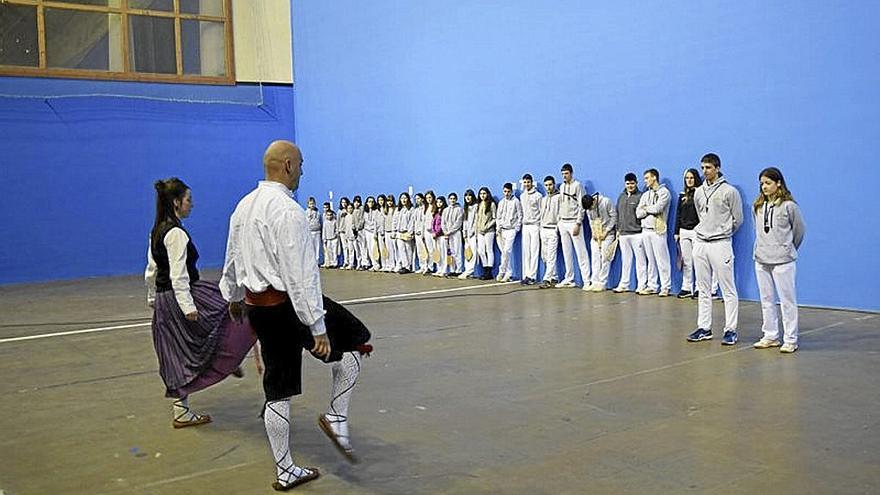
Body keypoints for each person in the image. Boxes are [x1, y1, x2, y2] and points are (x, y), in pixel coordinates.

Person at [220, 141, 371, 490]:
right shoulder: (288, 212)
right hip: (288, 308)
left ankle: (285, 470)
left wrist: (233, 296)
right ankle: (336, 415)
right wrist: (316, 327)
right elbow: (301, 276)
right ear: (287, 165)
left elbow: (231, 257)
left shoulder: (243, 207)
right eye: (301, 164)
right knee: (356, 341)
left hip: (259, 310)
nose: (303, 170)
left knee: (278, 389)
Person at [145, 177, 256, 429]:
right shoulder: (176, 234)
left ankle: (181, 410)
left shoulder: (157, 230)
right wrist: (188, 307)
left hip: (165, 299)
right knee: (230, 310)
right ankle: (228, 359)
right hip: (181, 296)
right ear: (176, 202)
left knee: (177, 353)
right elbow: (178, 274)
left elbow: (151, 271)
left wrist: (153, 300)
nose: (191, 205)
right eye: (188, 200)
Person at [686, 153, 744, 345]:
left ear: (717, 168)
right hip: (701, 243)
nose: (704, 171)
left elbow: (738, 220)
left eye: (708, 168)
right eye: (702, 168)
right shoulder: (699, 192)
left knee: (728, 289)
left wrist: (723, 231)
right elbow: (701, 214)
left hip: (721, 244)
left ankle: (730, 329)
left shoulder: (730, 191)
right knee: (703, 289)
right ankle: (704, 327)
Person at [751, 167, 806, 354]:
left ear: (778, 183)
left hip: (783, 261)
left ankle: (790, 339)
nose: (764, 187)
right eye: (762, 184)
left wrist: (787, 249)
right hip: (761, 259)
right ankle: (770, 335)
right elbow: (758, 232)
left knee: (787, 301)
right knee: (766, 299)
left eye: (768, 183)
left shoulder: (789, 206)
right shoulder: (757, 206)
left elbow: (799, 231)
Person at [636, 168, 672, 296]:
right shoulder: (646, 194)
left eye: (647, 178)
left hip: (658, 230)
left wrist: (646, 208)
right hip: (645, 230)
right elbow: (638, 213)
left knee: (662, 260)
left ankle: (665, 286)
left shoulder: (664, 192)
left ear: (654, 178)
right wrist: (646, 209)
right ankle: (652, 285)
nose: (645, 181)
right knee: (651, 260)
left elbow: (658, 208)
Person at [557, 163, 591, 289]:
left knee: (581, 252)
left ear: (571, 173)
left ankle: (587, 280)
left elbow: (582, 206)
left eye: (566, 173)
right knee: (567, 252)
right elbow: (561, 204)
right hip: (563, 223)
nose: (564, 176)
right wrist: (559, 221)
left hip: (574, 223)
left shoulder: (578, 186)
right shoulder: (561, 187)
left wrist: (578, 222)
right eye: (562, 174)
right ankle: (569, 278)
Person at [613, 173, 647, 293]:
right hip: (623, 234)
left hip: (637, 234)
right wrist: (618, 229)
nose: (630, 185)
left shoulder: (641, 196)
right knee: (626, 261)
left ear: (636, 183)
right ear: (625, 184)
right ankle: (624, 284)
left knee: (640, 261)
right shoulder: (621, 197)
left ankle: (642, 285)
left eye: (632, 183)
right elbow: (617, 214)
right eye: (628, 183)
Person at [674, 169, 702, 298]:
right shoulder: (682, 195)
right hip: (683, 231)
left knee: (698, 260)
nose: (689, 180)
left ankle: (699, 287)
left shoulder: (700, 193)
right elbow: (678, 214)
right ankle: (686, 287)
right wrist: (676, 231)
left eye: (691, 178)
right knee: (686, 261)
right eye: (687, 178)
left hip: (696, 231)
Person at [582, 191, 617, 291]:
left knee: (605, 258)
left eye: (591, 207)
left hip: (608, 234)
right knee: (595, 258)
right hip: (596, 234)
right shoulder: (588, 209)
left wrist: (607, 231)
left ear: (594, 201)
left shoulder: (606, 202)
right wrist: (593, 231)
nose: (590, 210)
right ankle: (595, 281)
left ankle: (602, 282)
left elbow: (614, 216)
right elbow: (590, 220)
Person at [496, 182, 522, 282]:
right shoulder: (501, 202)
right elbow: (498, 217)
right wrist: (498, 228)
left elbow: (520, 215)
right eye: (505, 191)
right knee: (504, 253)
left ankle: (502, 271)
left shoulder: (516, 201)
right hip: (501, 230)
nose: (506, 193)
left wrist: (516, 229)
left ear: (511, 191)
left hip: (511, 230)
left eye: (508, 192)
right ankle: (508, 273)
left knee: (507, 251)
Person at [519, 174, 543, 285]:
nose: (526, 184)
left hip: (535, 225)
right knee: (526, 252)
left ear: (532, 182)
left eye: (528, 182)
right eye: (525, 182)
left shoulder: (538, 196)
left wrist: (539, 225)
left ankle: (532, 276)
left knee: (534, 251)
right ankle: (526, 275)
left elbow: (541, 211)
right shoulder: (522, 196)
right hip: (525, 226)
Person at [539, 176, 561, 288]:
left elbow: (559, 214)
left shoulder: (558, 198)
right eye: (546, 185)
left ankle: (546, 279)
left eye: (550, 185)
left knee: (551, 255)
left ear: (554, 184)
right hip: (543, 229)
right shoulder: (543, 199)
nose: (548, 187)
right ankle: (554, 277)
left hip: (553, 229)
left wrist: (557, 228)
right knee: (545, 256)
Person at [475, 187, 497, 280]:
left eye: (484, 193)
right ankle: (485, 268)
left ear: (488, 194)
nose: (482, 195)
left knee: (489, 250)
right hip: (480, 232)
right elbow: (477, 219)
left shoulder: (491, 204)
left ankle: (489, 271)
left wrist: (487, 226)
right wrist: (477, 230)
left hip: (489, 231)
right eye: (481, 194)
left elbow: (495, 218)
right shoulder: (479, 205)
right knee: (480, 250)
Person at [441, 192, 464, 276]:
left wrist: (450, 231)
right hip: (447, 234)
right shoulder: (445, 210)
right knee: (450, 252)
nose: (452, 200)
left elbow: (458, 222)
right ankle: (452, 269)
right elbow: (443, 222)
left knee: (457, 251)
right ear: (448, 200)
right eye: (451, 199)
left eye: (454, 198)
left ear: (456, 199)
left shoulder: (459, 209)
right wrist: (445, 231)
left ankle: (459, 270)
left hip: (455, 233)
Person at [458, 189, 479, 279]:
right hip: (467, 235)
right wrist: (465, 234)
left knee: (474, 253)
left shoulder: (476, 206)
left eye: (469, 195)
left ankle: (470, 270)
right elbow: (465, 222)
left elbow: (476, 221)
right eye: (466, 195)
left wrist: (473, 232)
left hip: (474, 234)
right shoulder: (465, 208)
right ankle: (467, 271)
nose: (467, 197)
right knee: (467, 253)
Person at [395, 192, 416, 274]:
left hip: (407, 233)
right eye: (402, 198)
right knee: (401, 249)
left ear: (408, 199)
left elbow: (412, 221)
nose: (403, 200)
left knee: (408, 249)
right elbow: (395, 221)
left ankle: (409, 266)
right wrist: (395, 231)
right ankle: (405, 265)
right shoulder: (398, 209)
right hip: (399, 233)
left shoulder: (411, 209)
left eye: (405, 198)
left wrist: (409, 232)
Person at [364, 196, 383, 272]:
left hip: (373, 232)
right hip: (367, 232)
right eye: (369, 201)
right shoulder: (365, 212)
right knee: (369, 248)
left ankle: (377, 264)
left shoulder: (377, 211)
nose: (370, 203)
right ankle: (373, 264)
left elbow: (376, 223)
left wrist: (375, 233)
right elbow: (365, 222)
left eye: (372, 201)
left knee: (374, 248)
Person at [352, 196, 370, 270]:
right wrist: (354, 228)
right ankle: (362, 263)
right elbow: (353, 221)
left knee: (364, 247)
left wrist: (358, 227)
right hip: (356, 231)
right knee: (359, 248)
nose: (356, 203)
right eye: (355, 202)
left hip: (362, 230)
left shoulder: (362, 208)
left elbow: (362, 219)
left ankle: (366, 263)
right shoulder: (354, 210)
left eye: (358, 202)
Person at [431, 196, 447, 275]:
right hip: (435, 236)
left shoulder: (445, 212)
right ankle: (439, 269)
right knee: (438, 253)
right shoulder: (436, 213)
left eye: (440, 202)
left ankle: (444, 270)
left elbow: (442, 225)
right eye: (437, 202)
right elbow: (433, 224)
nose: (439, 204)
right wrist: (433, 232)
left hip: (442, 236)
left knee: (443, 253)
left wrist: (437, 233)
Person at [381, 194, 398, 272]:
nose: (389, 203)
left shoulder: (396, 209)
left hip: (393, 232)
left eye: (391, 201)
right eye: (388, 201)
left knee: (395, 249)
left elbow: (395, 222)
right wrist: (383, 232)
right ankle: (390, 265)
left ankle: (397, 265)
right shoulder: (385, 210)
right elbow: (383, 222)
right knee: (389, 250)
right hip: (386, 232)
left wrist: (394, 231)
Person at [321, 202, 339, 268]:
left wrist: (336, 235)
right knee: (329, 252)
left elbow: (337, 229)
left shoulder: (335, 221)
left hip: (334, 239)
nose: (329, 216)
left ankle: (335, 263)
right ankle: (331, 263)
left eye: (330, 215)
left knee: (334, 252)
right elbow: (324, 231)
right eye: (328, 215)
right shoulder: (325, 222)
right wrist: (324, 239)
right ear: (326, 216)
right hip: (328, 239)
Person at [340, 203, 357, 270]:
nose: (350, 209)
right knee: (350, 250)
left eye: (351, 208)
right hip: (349, 236)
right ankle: (351, 264)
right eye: (348, 208)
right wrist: (346, 235)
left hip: (355, 236)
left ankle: (359, 264)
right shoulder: (346, 217)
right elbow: (346, 227)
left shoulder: (354, 216)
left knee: (357, 251)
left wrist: (355, 234)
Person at [306, 197, 322, 264]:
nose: (312, 205)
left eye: (313, 203)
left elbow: (319, 221)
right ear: (308, 204)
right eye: (310, 204)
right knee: (310, 247)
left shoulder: (318, 212)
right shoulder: (306, 212)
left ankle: (317, 261)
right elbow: (306, 222)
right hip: (310, 232)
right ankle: (311, 262)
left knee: (317, 247)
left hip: (317, 231)